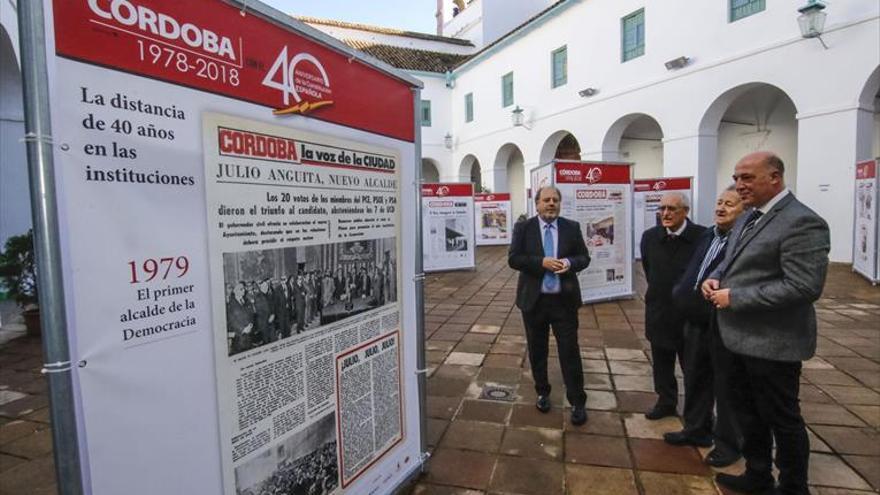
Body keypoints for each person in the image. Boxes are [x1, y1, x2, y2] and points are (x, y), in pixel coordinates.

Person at [702, 152, 829, 495]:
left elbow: (804, 286)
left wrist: (735, 298)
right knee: (748, 415)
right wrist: (713, 278)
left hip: (774, 343)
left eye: (747, 178)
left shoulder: (802, 221)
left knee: (782, 420)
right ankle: (757, 477)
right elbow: (732, 262)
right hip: (735, 338)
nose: (739, 185)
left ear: (774, 178)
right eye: (737, 177)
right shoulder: (748, 217)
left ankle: (793, 487)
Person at [665, 186, 744, 467]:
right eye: (719, 202)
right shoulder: (708, 234)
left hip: (722, 322)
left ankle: (729, 444)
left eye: (730, 204)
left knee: (725, 385)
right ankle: (696, 430)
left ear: (744, 210)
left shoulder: (744, 239)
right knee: (696, 378)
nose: (721, 208)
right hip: (694, 321)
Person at [508, 185, 591, 426]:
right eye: (546, 200)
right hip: (534, 302)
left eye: (555, 200)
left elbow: (584, 257)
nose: (551, 204)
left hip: (564, 301)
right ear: (537, 204)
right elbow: (514, 258)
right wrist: (540, 262)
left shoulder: (571, 228)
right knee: (537, 350)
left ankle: (577, 400)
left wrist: (569, 262)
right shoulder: (524, 228)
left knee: (570, 351)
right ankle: (542, 392)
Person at [640, 191, 706, 420]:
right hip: (660, 310)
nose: (665, 214)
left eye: (672, 209)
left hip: (690, 314)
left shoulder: (702, 236)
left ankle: (697, 413)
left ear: (686, 212)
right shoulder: (650, 237)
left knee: (694, 366)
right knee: (661, 363)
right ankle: (666, 402)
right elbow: (649, 269)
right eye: (662, 209)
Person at [226, 281, 254, 355]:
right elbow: (232, 321)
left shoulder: (246, 301)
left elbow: (251, 314)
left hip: (249, 336)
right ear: (235, 291)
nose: (243, 290)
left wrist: (251, 324)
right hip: (239, 338)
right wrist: (243, 329)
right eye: (241, 289)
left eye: (244, 289)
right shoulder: (231, 304)